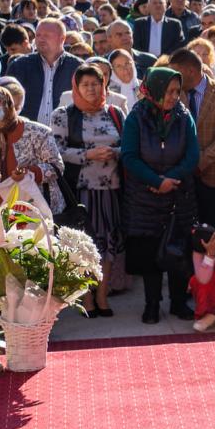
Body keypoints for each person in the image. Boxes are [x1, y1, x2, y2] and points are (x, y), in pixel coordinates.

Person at [120, 67, 199, 322]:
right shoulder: (136, 117)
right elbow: (129, 156)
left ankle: (179, 302)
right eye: (169, 91)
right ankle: (152, 304)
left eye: (177, 91)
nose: (174, 96)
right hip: (145, 198)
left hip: (178, 195)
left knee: (178, 251)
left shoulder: (183, 116)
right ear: (155, 90)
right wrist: (155, 181)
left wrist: (169, 180)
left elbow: (192, 155)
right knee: (150, 253)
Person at [50, 65, 124, 316]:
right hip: (79, 192)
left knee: (108, 243)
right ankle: (86, 298)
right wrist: (87, 154)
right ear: (76, 87)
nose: (91, 89)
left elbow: (128, 146)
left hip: (110, 190)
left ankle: (102, 296)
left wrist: (114, 152)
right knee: (82, 244)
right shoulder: (63, 115)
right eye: (85, 85)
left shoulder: (115, 113)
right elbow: (56, 152)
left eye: (96, 83)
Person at [169, 49, 215, 231]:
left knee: (213, 232)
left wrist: (200, 162)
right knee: (185, 232)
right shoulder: (174, 94)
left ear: (191, 71)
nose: (172, 77)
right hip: (182, 177)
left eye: (176, 72)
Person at [0, 83, 66, 215]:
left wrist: (29, 173)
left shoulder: (38, 132)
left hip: (37, 211)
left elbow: (57, 167)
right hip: (4, 212)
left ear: (8, 104)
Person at [4, 18, 84, 124]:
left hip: (67, 130)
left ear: (62, 38)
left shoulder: (78, 67)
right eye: (38, 35)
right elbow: (6, 102)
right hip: (26, 131)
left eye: (46, 35)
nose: (41, 39)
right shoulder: (19, 66)